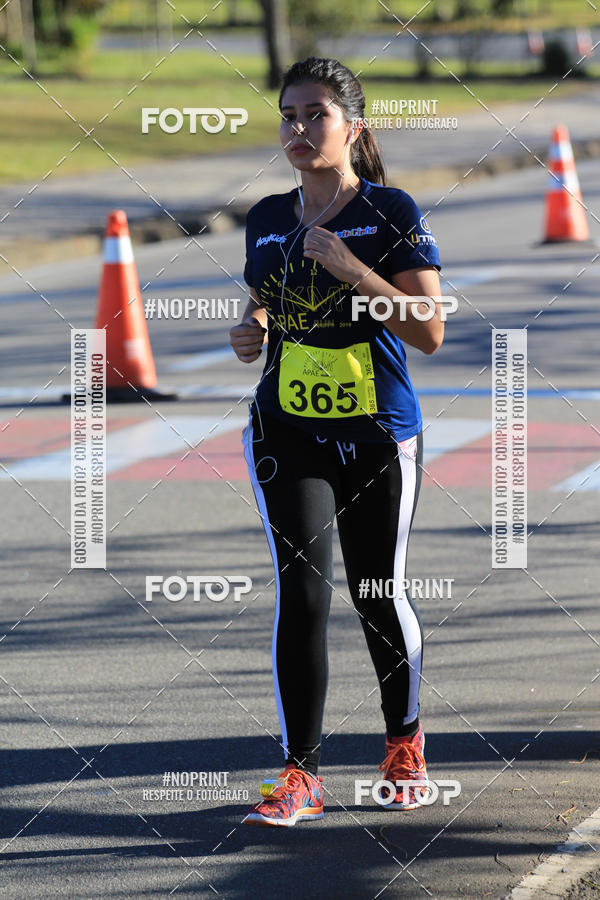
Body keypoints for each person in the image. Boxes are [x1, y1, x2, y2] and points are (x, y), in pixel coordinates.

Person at [229, 56, 444, 827]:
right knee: (304, 593)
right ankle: (301, 775)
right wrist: (251, 330)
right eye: (287, 114)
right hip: (287, 431)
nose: (297, 128)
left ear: (353, 127)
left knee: (376, 590)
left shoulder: (389, 211)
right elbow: (262, 304)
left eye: (314, 114)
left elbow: (428, 331)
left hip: (379, 434)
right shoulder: (265, 217)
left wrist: (356, 269)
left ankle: (404, 745)